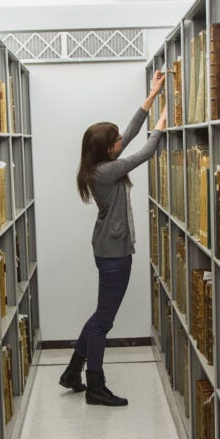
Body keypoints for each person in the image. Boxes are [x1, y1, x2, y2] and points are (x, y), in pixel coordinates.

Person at [59, 70, 168, 406]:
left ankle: (72, 371)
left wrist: (152, 95)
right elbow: (145, 151)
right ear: (108, 149)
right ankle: (95, 386)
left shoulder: (100, 165)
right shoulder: (108, 171)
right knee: (103, 322)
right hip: (114, 254)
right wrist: (165, 120)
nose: (121, 140)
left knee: (98, 316)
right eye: (116, 140)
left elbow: (132, 133)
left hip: (107, 249)